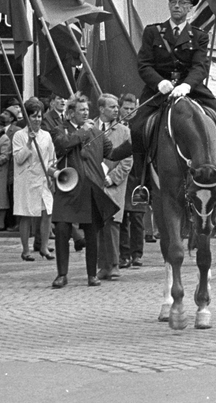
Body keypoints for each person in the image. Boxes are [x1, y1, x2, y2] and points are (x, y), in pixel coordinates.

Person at [126, 0, 216, 205]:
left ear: (190, 9)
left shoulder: (199, 36)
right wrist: (160, 83)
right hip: (159, 92)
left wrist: (187, 85)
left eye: (182, 3)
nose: (177, 6)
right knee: (138, 127)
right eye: (173, 2)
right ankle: (141, 183)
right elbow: (144, 64)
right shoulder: (153, 32)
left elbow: (200, 66)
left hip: (191, 90)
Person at [49, 94, 115, 288]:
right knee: (61, 230)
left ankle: (91, 275)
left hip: (89, 189)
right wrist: (83, 133)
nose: (86, 113)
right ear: (70, 113)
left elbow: (110, 151)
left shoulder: (95, 131)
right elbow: (62, 145)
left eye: (87, 110)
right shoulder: (59, 130)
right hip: (67, 189)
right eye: (82, 110)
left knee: (92, 233)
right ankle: (62, 274)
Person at [12, 97, 55, 262]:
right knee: (26, 215)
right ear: (27, 117)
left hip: (43, 179)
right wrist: (29, 142)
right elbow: (18, 159)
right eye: (34, 116)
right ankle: (25, 249)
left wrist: (52, 174)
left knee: (47, 212)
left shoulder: (46, 136)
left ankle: (44, 247)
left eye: (39, 116)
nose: (37, 119)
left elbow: (51, 158)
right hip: (26, 180)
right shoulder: (19, 136)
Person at [96, 94, 132, 281]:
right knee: (97, 225)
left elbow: (127, 161)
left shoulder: (124, 131)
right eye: (112, 107)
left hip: (113, 185)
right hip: (95, 184)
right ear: (101, 109)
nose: (117, 110)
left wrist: (111, 178)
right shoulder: (90, 127)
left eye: (117, 107)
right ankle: (102, 266)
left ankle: (115, 265)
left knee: (113, 224)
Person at [116, 93, 147, 267]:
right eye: (125, 108)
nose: (129, 111)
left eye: (132, 108)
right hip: (120, 175)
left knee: (137, 217)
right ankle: (124, 254)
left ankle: (137, 254)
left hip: (137, 176)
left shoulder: (141, 126)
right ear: (120, 109)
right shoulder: (115, 126)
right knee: (122, 217)